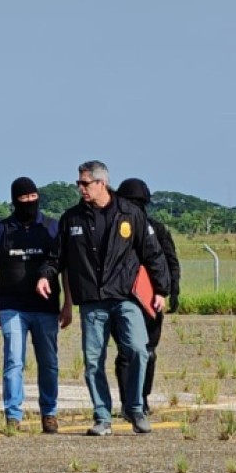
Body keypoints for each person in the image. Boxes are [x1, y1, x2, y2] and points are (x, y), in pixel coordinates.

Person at [37, 160, 169, 436]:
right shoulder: (71, 219)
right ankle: (102, 417)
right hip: (92, 301)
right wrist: (45, 276)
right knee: (94, 361)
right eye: (79, 183)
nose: (81, 188)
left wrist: (161, 290)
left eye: (85, 183)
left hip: (125, 298)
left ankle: (135, 407)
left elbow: (152, 253)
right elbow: (56, 257)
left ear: (102, 184)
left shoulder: (130, 214)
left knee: (137, 350)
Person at [0, 177, 72, 434]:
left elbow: (64, 269)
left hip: (45, 308)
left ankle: (50, 412)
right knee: (13, 360)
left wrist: (68, 303)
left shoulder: (51, 228)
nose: (30, 203)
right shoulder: (0, 231)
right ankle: (13, 414)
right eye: (24, 199)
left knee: (49, 362)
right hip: (11, 306)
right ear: (14, 201)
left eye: (34, 198)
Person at [114, 178, 181, 415]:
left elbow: (171, 262)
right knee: (126, 352)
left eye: (139, 203)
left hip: (152, 301)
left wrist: (172, 292)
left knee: (148, 352)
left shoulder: (157, 230)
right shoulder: (115, 230)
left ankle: (142, 397)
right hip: (122, 299)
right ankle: (126, 401)